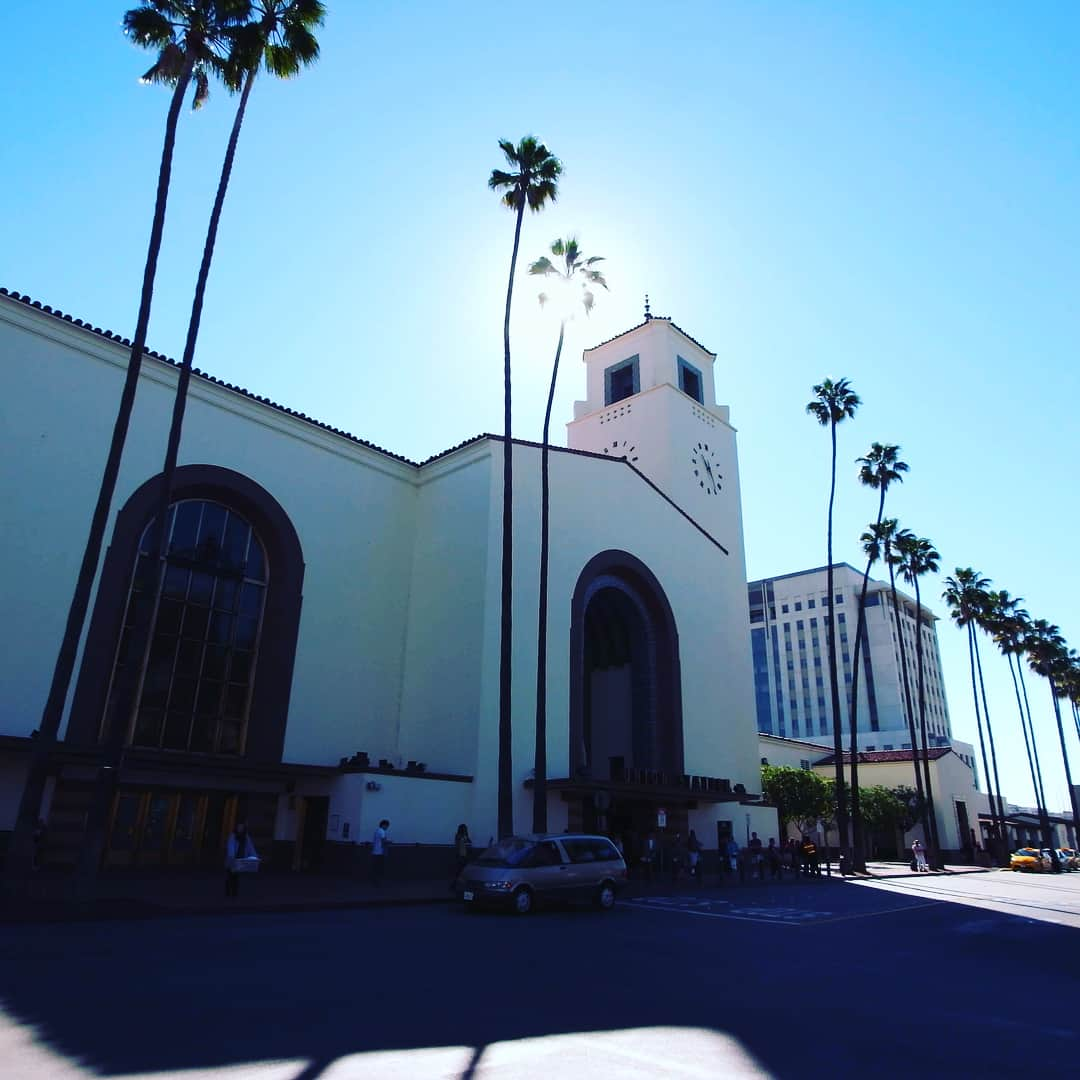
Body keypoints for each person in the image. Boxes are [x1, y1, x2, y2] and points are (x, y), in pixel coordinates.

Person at [225, 822, 258, 898]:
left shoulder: (246, 837)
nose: (240, 828)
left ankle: (234, 893)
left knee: (236, 876)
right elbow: (231, 846)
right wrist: (231, 856)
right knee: (230, 875)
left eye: (242, 827)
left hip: (240, 859)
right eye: (239, 827)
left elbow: (250, 847)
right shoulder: (233, 836)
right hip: (233, 859)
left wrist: (254, 856)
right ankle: (228, 892)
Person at [450, 823, 471, 890]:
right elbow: (457, 845)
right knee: (458, 871)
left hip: (465, 855)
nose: (466, 829)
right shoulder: (458, 836)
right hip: (460, 856)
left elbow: (469, 842)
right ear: (462, 829)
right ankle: (453, 886)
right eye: (465, 828)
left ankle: (462, 886)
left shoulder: (465, 836)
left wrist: (467, 837)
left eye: (466, 828)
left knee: (464, 872)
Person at [371, 819, 390, 885]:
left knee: (375, 867)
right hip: (380, 852)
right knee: (379, 867)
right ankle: (378, 882)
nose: (387, 827)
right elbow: (383, 841)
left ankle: (375, 881)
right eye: (387, 826)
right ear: (384, 825)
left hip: (375, 851)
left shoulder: (377, 831)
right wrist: (389, 842)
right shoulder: (382, 831)